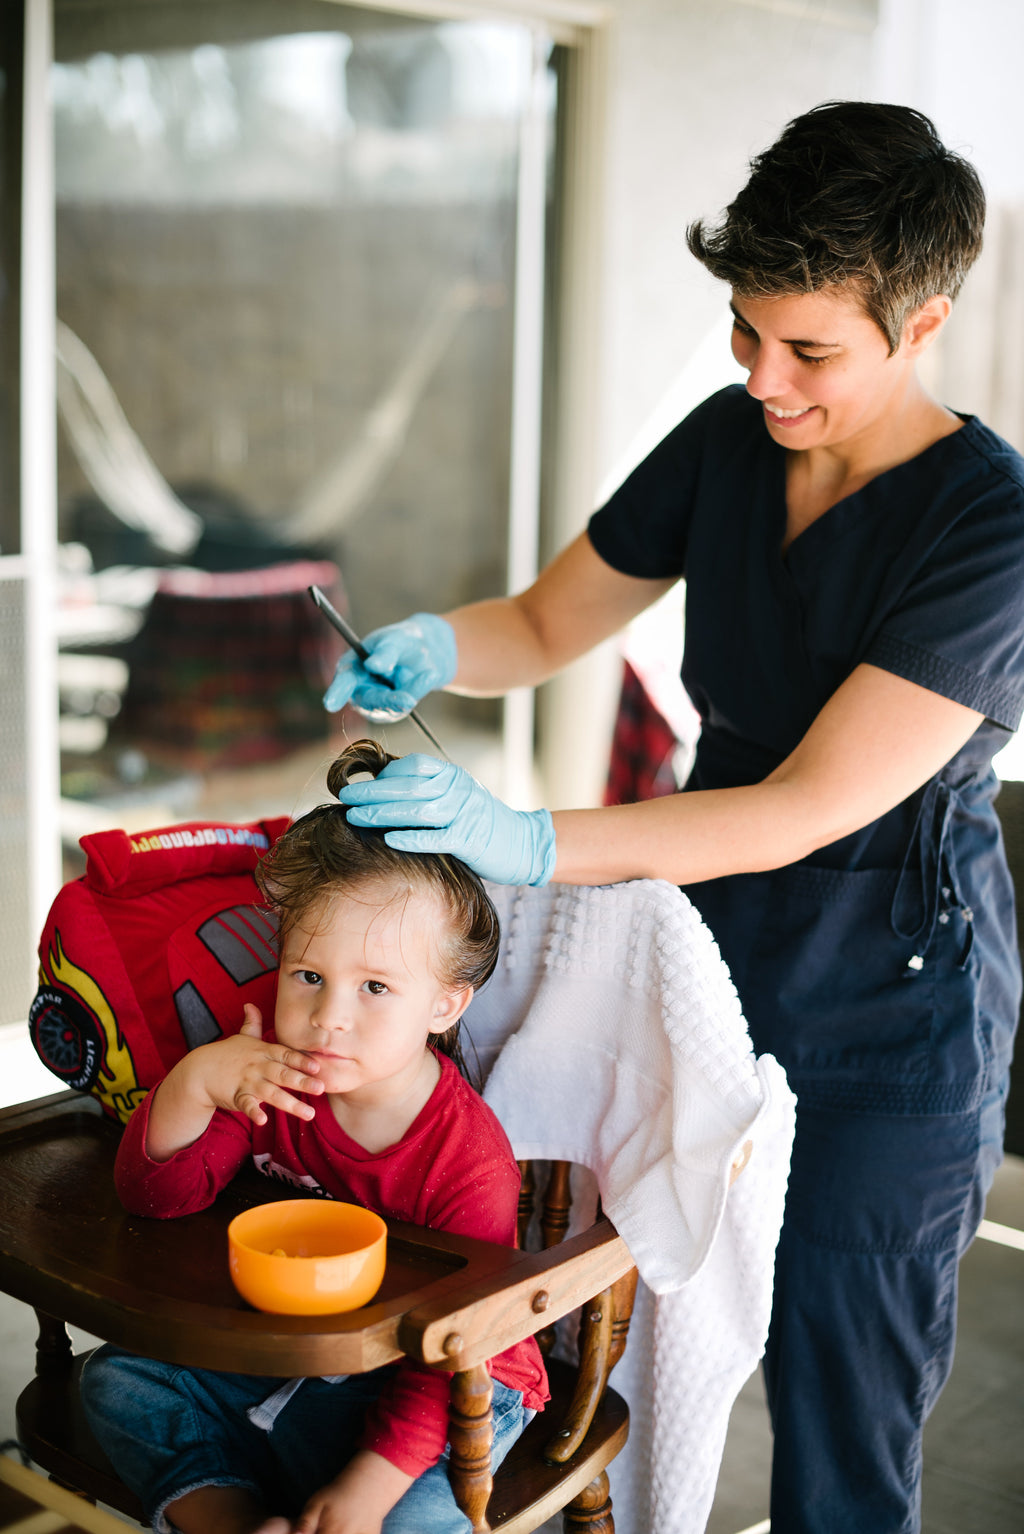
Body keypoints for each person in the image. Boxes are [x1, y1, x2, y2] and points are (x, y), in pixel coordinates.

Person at [322, 102, 1024, 1533]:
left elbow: (800, 806)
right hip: (702, 956)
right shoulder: (727, 437)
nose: (765, 378)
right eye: (745, 331)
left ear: (926, 318)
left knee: (843, 1418)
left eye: (810, 350)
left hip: (893, 1007)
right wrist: (442, 647)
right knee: (611, 1353)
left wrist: (520, 836)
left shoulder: (990, 526)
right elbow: (542, 618)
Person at [80, 738, 548, 1534]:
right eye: (308, 976)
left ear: (444, 1005)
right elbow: (155, 1198)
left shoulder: (466, 1161)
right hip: (303, 1355)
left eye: (375, 987)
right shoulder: (271, 1072)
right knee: (117, 1379)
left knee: (407, 1524)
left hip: (452, 1385)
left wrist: (369, 1486)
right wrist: (199, 1080)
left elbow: (458, 1348)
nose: (329, 1015)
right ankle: (228, 1519)